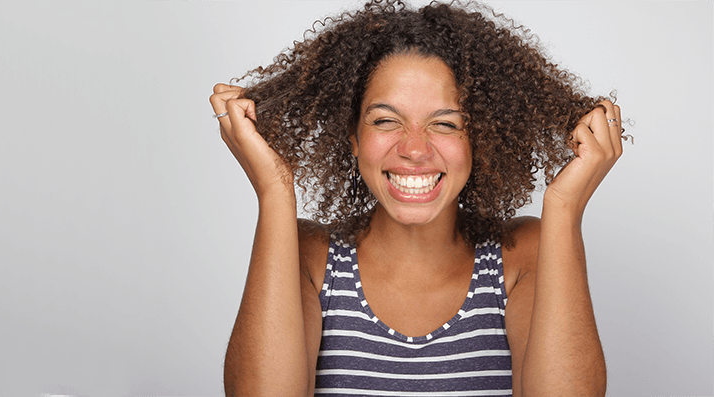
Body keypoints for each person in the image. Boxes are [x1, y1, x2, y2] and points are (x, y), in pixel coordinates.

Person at [208, 1, 624, 395]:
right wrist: (274, 189)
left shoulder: (524, 254)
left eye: (445, 124)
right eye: (386, 120)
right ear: (353, 136)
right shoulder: (309, 257)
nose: (415, 149)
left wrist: (565, 210)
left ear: (480, 138)